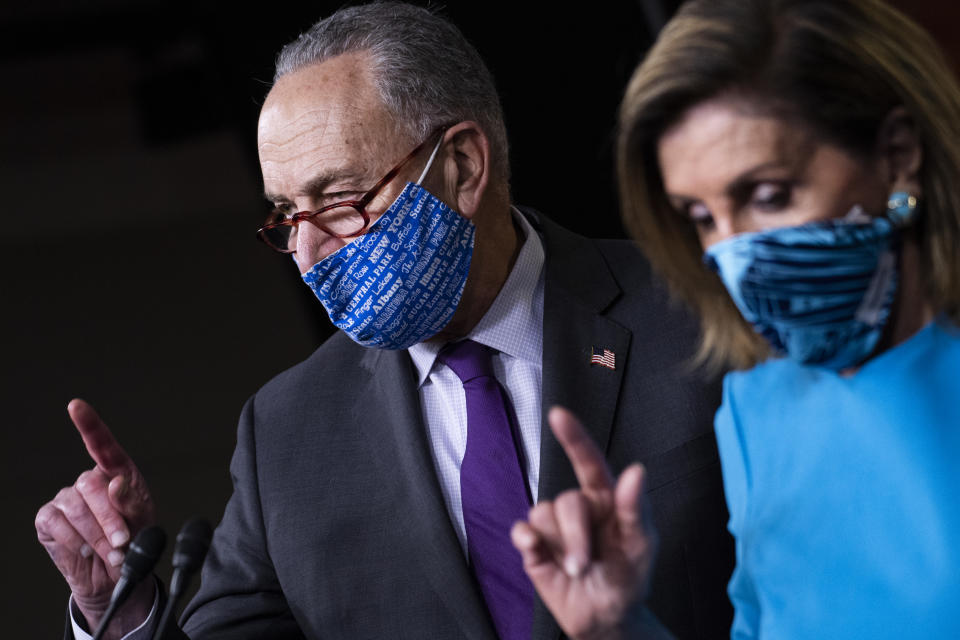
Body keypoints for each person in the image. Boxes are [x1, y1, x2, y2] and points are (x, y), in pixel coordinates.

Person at [36, 3, 734, 640]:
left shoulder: (704, 310)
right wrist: (124, 613)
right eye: (286, 215)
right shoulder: (285, 432)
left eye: (339, 200)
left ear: (461, 166)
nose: (307, 254)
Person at [616, 0, 960, 637]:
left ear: (898, 155)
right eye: (700, 218)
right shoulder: (752, 406)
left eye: (768, 196)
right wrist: (618, 624)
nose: (732, 252)